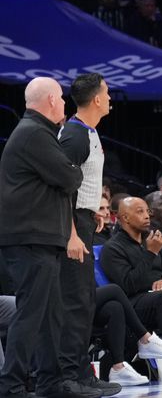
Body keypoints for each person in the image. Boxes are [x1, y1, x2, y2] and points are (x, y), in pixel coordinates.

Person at [0, 78, 89, 398]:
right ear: (51, 100)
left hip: (39, 238)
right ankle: (10, 386)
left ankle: (49, 383)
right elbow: (69, 176)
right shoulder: (35, 133)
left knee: (50, 314)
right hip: (30, 238)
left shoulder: (36, 132)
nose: (64, 103)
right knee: (31, 313)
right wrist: (72, 172)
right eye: (62, 99)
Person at [57, 74, 120, 397]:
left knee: (85, 301)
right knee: (75, 303)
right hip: (71, 228)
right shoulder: (74, 136)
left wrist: (93, 207)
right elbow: (60, 190)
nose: (110, 98)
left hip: (83, 220)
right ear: (96, 99)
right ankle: (71, 378)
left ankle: (84, 374)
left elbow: (80, 184)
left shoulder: (89, 132)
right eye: (107, 93)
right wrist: (70, 234)